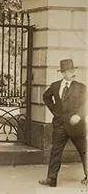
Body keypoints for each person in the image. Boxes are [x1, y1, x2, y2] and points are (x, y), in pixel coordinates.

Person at [39, 59, 87, 187]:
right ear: (63, 73)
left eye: (73, 70)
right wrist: (55, 111)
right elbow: (46, 97)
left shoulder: (81, 87)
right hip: (60, 124)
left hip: (76, 125)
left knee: (84, 151)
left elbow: (85, 104)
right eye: (70, 71)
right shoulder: (55, 86)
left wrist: (79, 115)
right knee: (56, 151)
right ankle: (51, 178)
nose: (73, 73)